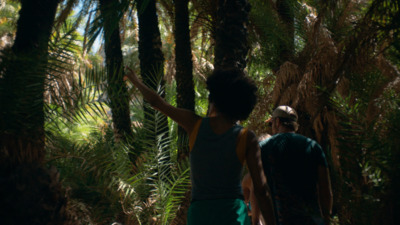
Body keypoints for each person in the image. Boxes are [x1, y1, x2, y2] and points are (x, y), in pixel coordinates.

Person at [125, 67, 276, 225]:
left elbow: (157, 103)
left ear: (214, 100)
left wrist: (135, 80)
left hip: (200, 214)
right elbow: (261, 190)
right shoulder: (247, 138)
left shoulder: (194, 124)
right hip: (232, 214)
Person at [244, 105, 333, 225]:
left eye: (271, 124)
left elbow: (258, 190)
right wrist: (326, 218)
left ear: (277, 122)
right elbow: (325, 188)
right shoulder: (313, 147)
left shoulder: (262, 148)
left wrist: (257, 221)